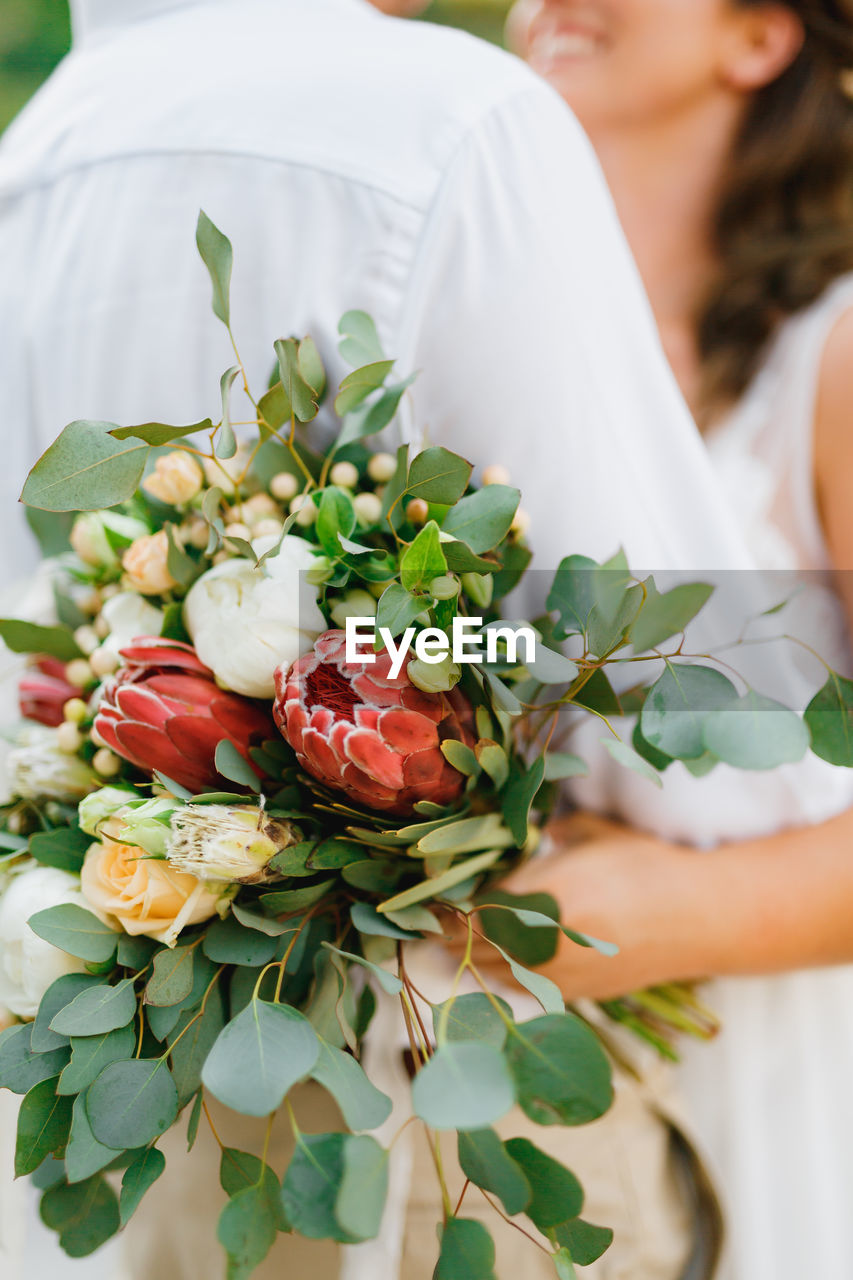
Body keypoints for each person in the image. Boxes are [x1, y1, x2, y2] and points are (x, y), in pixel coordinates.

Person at [0, 0, 785, 1276]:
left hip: (186, 1120)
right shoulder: (453, 117)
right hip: (448, 1105)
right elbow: (667, 682)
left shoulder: (36, 153)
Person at [495, 3, 853, 1278]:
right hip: (519, 1107)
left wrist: (682, 905)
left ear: (759, 36)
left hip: (766, 1076)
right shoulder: (493, 352)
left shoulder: (835, 355)